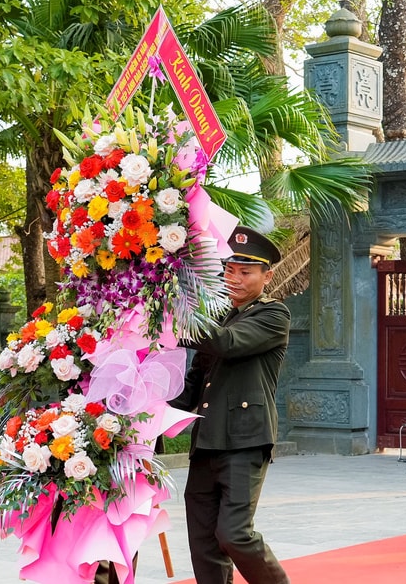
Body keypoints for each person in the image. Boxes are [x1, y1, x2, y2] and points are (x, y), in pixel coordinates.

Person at [172, 226, 291, 584]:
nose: (235, 279)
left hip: (245, 440)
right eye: (229, 270)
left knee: (235, 534)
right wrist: (148, 414)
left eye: (246, 272)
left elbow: (227, 344)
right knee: (204, 541)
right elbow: (193, 383)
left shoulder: (274, 315)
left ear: (266, 276)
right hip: (207, 441)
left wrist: (178, 302)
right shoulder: (220, 316)